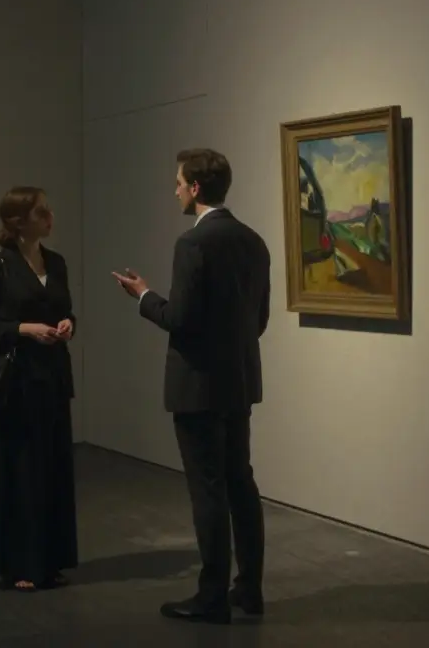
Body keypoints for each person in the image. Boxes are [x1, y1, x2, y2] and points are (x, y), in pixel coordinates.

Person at [112, 149, 270, 624]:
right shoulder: (253, 241)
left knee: (208, 491)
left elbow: (179, 319)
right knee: (240, 482)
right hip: (238, 381)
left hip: (198, 387)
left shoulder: (193, 243)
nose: (175, 189)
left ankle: (212, 597)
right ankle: (249, 590)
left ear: (196, 188)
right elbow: (258, 321)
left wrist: (143, 296)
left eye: (179, 182)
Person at [0, 186, 79, 592]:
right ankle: (20, 563)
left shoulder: (57, 262)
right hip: (17, 380)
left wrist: (68, 324)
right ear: (18, 221)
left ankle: (50, 560)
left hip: (53, 377)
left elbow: (65, 309)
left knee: (53, 468)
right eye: (40, 212)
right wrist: (24, 329)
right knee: (22, 471)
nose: (49, 217)